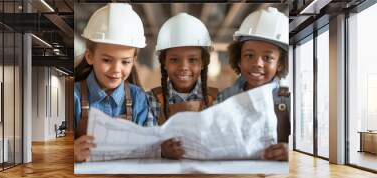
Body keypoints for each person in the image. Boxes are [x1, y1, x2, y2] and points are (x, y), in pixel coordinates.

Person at [74, 3, 150, 162]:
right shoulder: (73, 96)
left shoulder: (138, 98)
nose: (116, 69)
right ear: (90, 56)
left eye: (125, 62)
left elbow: (151, 146)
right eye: (107, 60)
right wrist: (71, 152)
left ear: (134, 61)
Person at [216, 7, 290, 161]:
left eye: (268, 58)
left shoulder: (288, 99)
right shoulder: (225, 96)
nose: (257, 63)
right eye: (249, 55)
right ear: (239, 60)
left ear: (280, 64)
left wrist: (290, 151)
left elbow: (305, 141)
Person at [145, 13, 218, 159]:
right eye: (174, 60)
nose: (184, 67)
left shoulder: (216, 99)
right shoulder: (152, 99)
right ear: (164, 63)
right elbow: (146, 145)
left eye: (192, 60)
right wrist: (161, 151)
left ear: (203, 63)